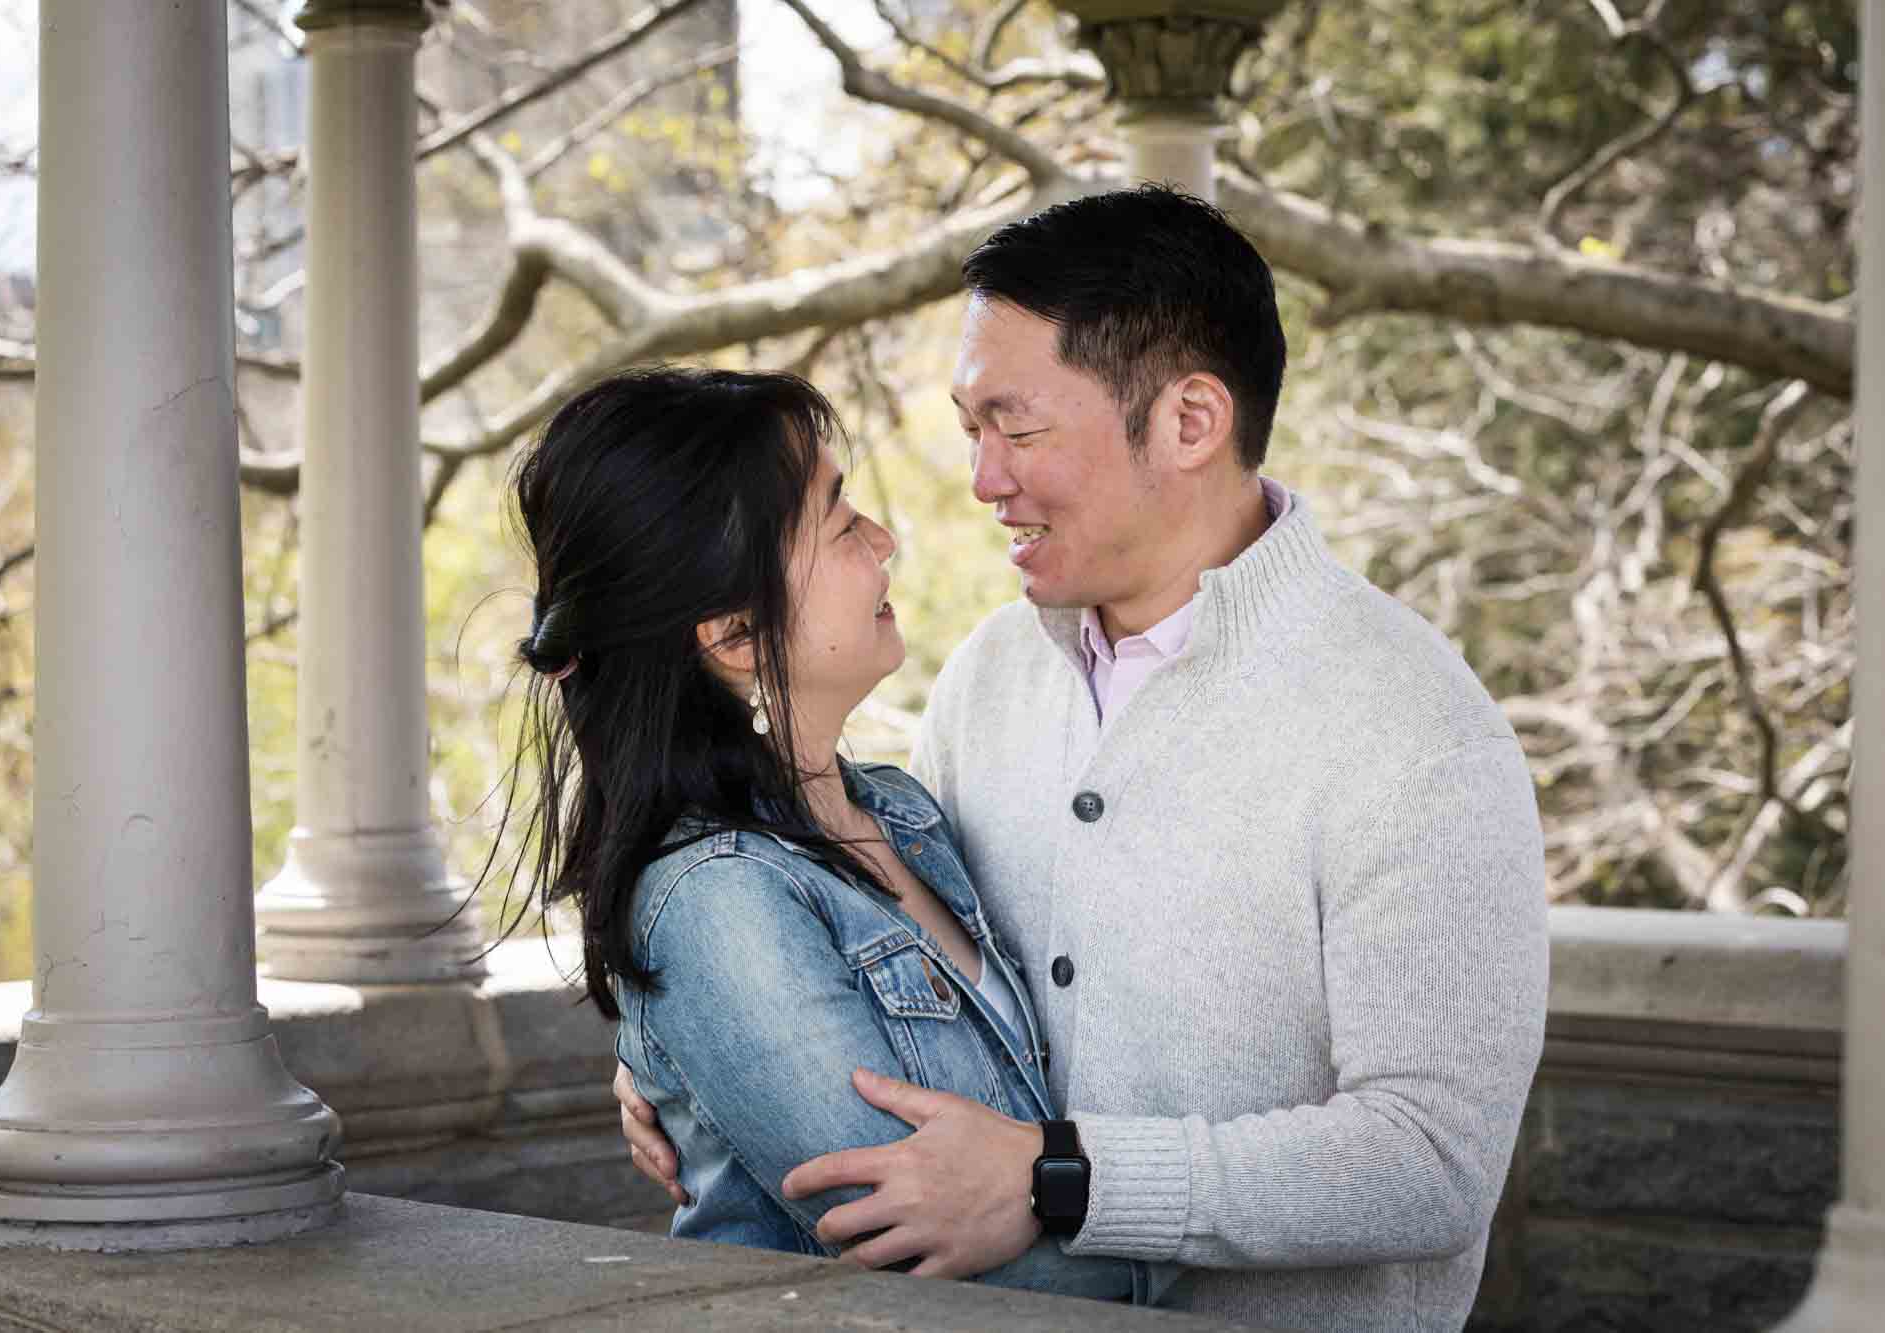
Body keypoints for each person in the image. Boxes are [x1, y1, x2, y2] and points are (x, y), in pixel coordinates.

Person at [617, 186, 1550, 1332]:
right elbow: (908, 971)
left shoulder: (1414, 730)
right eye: (970, 428)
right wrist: (698, 1050)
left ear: (1189, 422)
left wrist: (1061, 1175)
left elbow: (1429, 1161)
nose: (981, 479)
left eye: (1018, 427)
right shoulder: (988, 674)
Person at [503, 364, 1152, 1304]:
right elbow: (937, 1247)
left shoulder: (898, 811)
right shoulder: (715, 902)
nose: (885, 540)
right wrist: (1196, 1226)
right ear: (732, 635)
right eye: (841, 520)